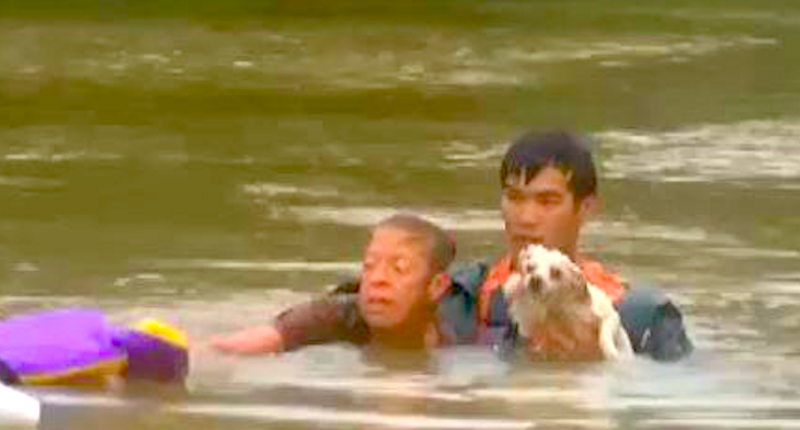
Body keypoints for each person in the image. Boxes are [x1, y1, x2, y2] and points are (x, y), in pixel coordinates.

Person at [213, 129, 693, 362]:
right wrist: (272, 337)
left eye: (547, 201)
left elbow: (678, 394)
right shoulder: (458, 291)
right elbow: (351, 309)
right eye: (514, 198)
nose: (526, 217)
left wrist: (598, 367)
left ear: (586, 208)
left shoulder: (641, 315)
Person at [210, 213, 462, 354]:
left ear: (436, 287)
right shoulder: (331, 315)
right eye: (369, 265)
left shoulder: (460, 336)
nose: (377, 279)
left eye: (399, 269)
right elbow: (233, 348)